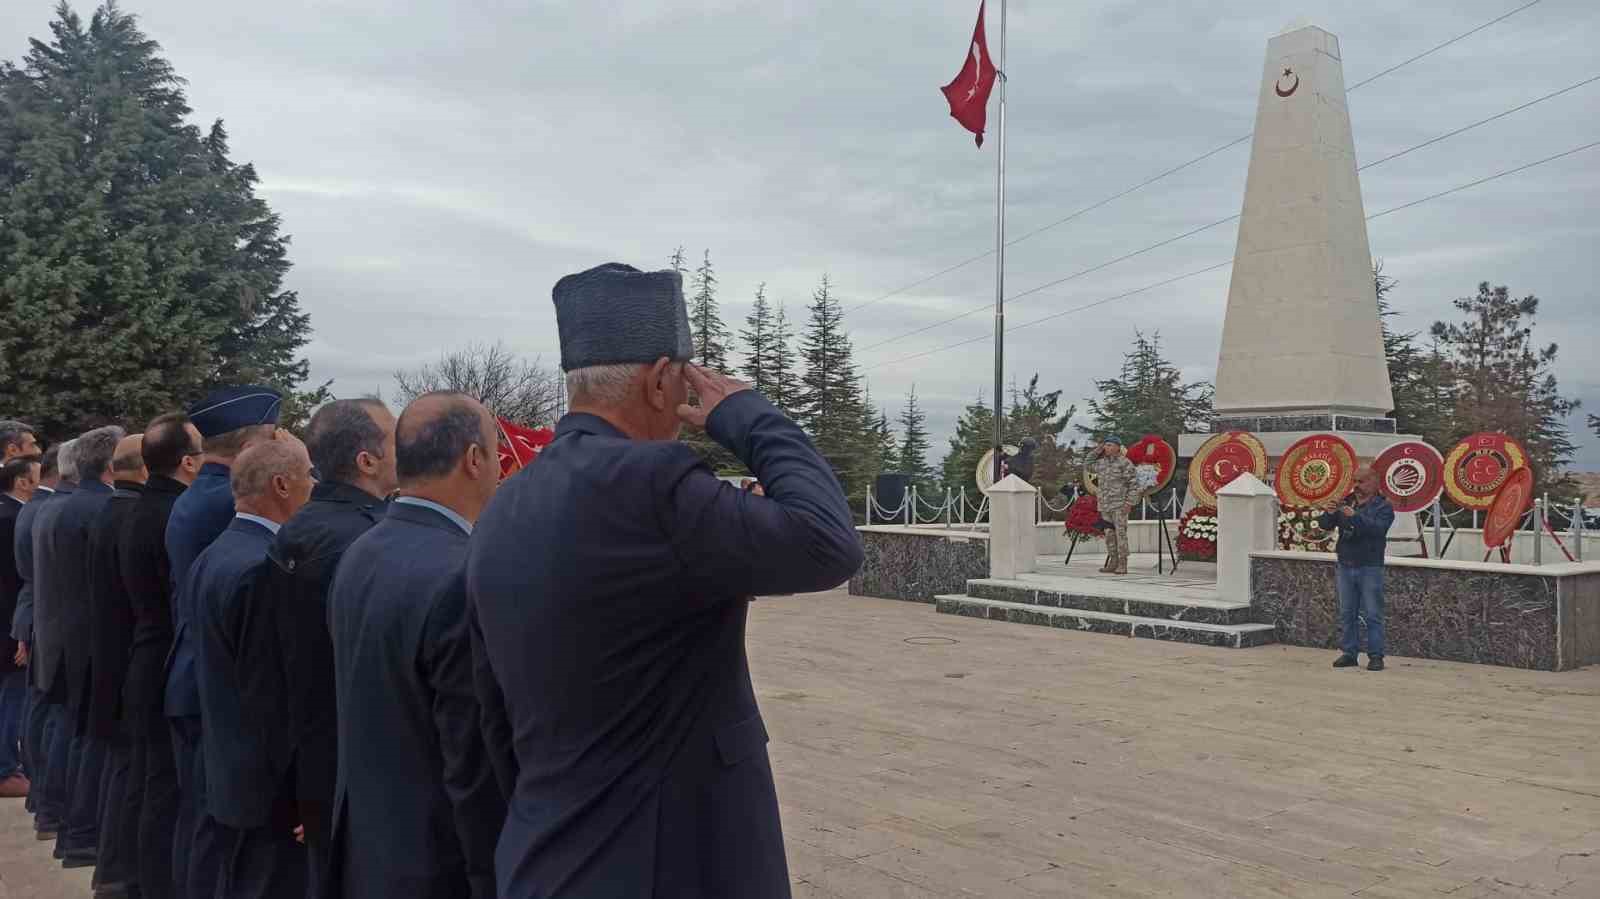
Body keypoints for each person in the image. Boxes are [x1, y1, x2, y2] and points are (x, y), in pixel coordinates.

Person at [469, 262, 862, 898]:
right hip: (671, 866)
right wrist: (749, 416)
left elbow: (491, 717)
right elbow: (828, 543)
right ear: (659, 381)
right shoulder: (653, 484)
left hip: (547, 856)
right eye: (683, 382)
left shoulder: (506, 504)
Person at [326, 393, 504, 899]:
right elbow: (472, 759)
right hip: (436, 863)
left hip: (370, 848)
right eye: (495, 452)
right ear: (474, 460)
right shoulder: (463, 574)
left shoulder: (362, 551)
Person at [262, 399, 396, 890]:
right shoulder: (369, 542)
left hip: (312, 759)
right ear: (367, 461)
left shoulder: (298, 526)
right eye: (393, 440)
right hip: (357, 770)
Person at [165, 385, 282, 897]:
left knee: (204, 825)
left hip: (193, 672)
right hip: (212, 681)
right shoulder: (222, 501)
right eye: (275, 434)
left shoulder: (201, 493)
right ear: (254, 444)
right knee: (220, 834)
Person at [193, 438, 315, 898]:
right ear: (282, 485)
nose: (313, 486)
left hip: (232, 776)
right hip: (265, 793)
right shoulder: (259, 567)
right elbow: (269, 694)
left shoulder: (217, 553)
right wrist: (299, 795)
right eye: (308, 477)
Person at [119, 413, 205, 898]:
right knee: (166, 795)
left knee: (152, 789)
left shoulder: (133, 507)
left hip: (143, 659)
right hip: (164, 662)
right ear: (189, 463)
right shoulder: (175, 514)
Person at [36, 426, 124, 869]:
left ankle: (67, 823)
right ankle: (81, 833)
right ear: (110, 466)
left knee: (74, 735)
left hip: (69, 632)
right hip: (92, 638)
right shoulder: (100, 508)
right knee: (92, 741)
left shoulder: (61, 507)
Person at [83, 433, 147, 896]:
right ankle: (120, 873)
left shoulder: (107, 510)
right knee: (131, 775)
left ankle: (115, 870)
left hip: (110, 655)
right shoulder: (134, 515)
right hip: (129, 660)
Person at [13, 443, 63, 836]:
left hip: (35, 616)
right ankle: (46, 799)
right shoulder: (45, 509)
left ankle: (42, 797)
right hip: (46, 619)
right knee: (42, 710)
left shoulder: (34, 508)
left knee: (36, 708)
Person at [1320, 468, 1395, 672]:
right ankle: (1349, 653)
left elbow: (1377, 530)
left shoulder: (1384, 507)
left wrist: (1355, 518)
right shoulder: (1348, 501)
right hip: (1346, 564)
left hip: (1370, 566)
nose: (1357, 485)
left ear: (1374, 483)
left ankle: (1376, 656)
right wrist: (1329, 512)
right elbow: (1325, 525)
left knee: (1373, 613)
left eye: (1361, 481)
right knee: (1347, 613)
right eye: (1355, 481)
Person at [0, 456, 40, 800]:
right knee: (13, 698)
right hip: (9, 623)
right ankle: (5, 769)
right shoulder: (11, 518)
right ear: (22, 482)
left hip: (8, 620)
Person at [1089, 437, 1139, 575]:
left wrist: (1129, 503)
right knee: (1109, 535)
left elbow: (1134, 485)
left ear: (1118, 447)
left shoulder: (1125, 463)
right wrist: (1096, 450)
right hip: (1105, 505)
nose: (1107, 448)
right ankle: (1113, 562)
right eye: (1105, 445)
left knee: (1120, 534)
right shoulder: (1101, 463)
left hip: (1119, 505)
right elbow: (1088, 465)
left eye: (1110, 445)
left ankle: (1123, 563)